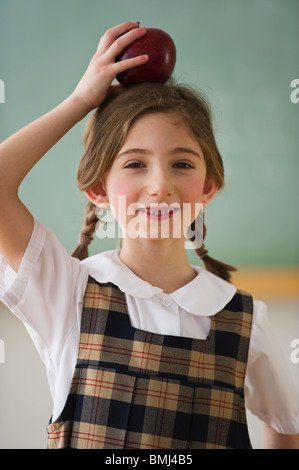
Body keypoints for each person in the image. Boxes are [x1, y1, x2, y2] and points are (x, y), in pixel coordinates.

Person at [0, 22, 298, 449]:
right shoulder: (68, 292)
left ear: (208, 187)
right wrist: (82, 100)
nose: (160, 185)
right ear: (99, 190)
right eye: (135, 164)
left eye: (182, 164)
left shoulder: (245, 319)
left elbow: (287, 432)